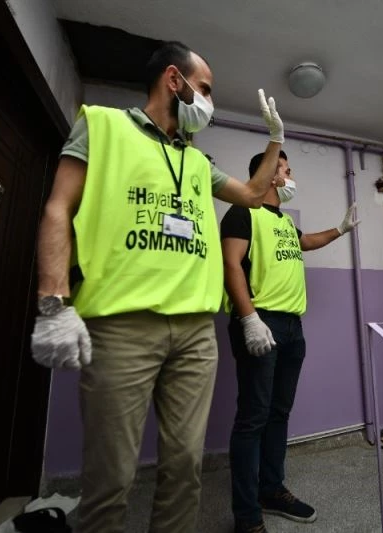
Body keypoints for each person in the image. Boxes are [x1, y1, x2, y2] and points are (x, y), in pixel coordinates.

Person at [29, 41, 286, 533]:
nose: (208, 102)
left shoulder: (198, 162)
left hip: (196, 333)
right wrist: (53, 303)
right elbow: (58, 209)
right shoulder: (102, 126)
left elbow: (255, 194)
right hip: (121, 327)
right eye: (204, 89)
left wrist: (275, 139)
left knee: (185, 469)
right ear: (174, 80)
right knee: (111, 480)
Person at [221, 151, 360, 533]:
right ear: (268, 175)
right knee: (253, 418)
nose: (289, 174)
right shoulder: (242, 212)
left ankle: (271, 489)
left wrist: (341, 229)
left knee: (278, 413)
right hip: (260, 322)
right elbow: (230, 264)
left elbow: (306, 242)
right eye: (284, 169)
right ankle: (247, 517)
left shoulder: (283, 221)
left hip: (292, 328)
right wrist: (249, 319)